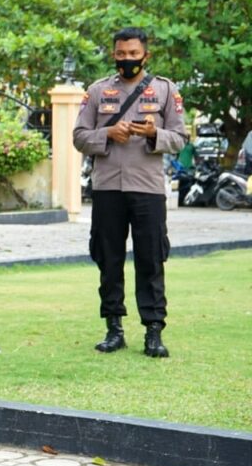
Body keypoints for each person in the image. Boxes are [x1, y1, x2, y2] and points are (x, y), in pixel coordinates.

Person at [73, 27, 186, 357]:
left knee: (151, 259)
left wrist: (153, 134)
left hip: (148, 188)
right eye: (121, 54)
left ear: (145, 56)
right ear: (113, 55)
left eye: (133, 54)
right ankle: (114, 329)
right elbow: (79, 136)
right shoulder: (97, 91)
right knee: (109, 259)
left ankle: (154, 331)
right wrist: (107, 134)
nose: (127, 59)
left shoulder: (165, 90)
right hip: (107, 187)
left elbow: (180, 138)